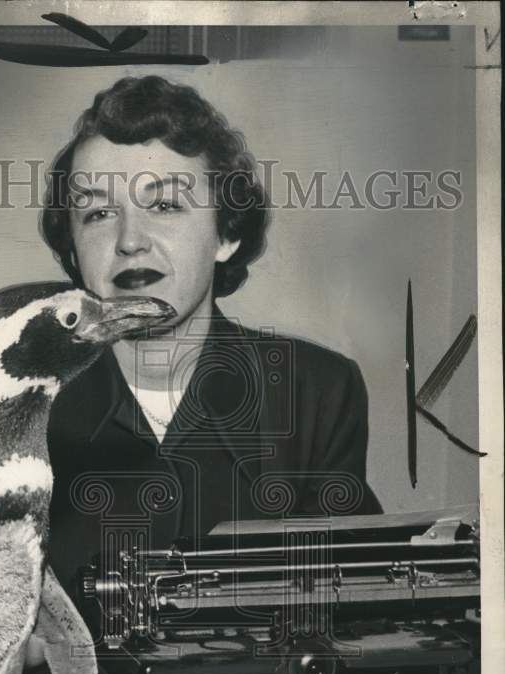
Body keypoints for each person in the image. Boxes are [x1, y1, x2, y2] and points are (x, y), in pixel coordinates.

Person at [42, 74, 382, 607]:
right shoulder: (20, 401)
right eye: (98, 213)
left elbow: (349, 609)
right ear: (75, 247)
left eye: (166, 206)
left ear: (228, 234)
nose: (129, 241)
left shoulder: (319, 392)